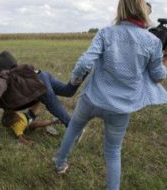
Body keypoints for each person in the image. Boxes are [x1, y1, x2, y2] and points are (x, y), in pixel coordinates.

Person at [55, 0, 167, 190]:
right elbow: (158, 77)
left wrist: (74, 81)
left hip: (92, 98)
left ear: (120, 9)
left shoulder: (106, 33)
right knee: (113, 152)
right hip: (121, 108)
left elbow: (84, 64)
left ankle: (59, 164)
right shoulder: (153, 42)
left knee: (73, 127)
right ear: (143, 11)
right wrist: (164, 61)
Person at [0, 51, 84, 128]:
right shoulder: (15, 71)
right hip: (40, 74)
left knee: (53, 105)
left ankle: (74, 129)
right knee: (67, 91)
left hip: (37, 84)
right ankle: (82, 72)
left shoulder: (0, 78)